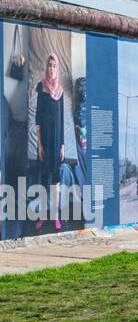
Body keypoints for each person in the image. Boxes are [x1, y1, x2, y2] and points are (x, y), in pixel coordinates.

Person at [34, 53, 65, 231]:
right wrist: (39, 144)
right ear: (46, 67)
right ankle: (43, 216)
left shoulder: (60, 92)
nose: (51, 68)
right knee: (44, 179)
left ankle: (56, 216)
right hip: (45, 140)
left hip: (56, 142)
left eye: (54, 65)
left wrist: (62, 145)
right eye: (49, 65)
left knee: (56, 181)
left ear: (57, 68)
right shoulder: (41, 87)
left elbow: (61, 119)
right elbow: (37, 117)